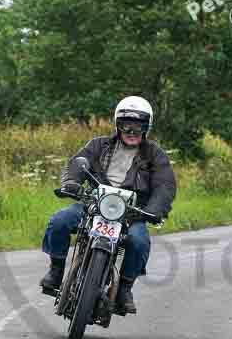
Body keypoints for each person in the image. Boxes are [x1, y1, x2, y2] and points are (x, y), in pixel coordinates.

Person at [39, 96, 177, 315]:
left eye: (138, 126)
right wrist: (72, 183)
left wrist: (154, 210)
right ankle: (56, 270)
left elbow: (165, 185)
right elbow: (77, 163)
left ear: (146, 127)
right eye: (126, 125)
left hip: (130, 214)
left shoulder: (155, 155)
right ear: (117, 124)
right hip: (94, 205)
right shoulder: (99, 145)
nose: (132, 131)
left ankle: (124, 289)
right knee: (60, 220)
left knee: (139, 241)